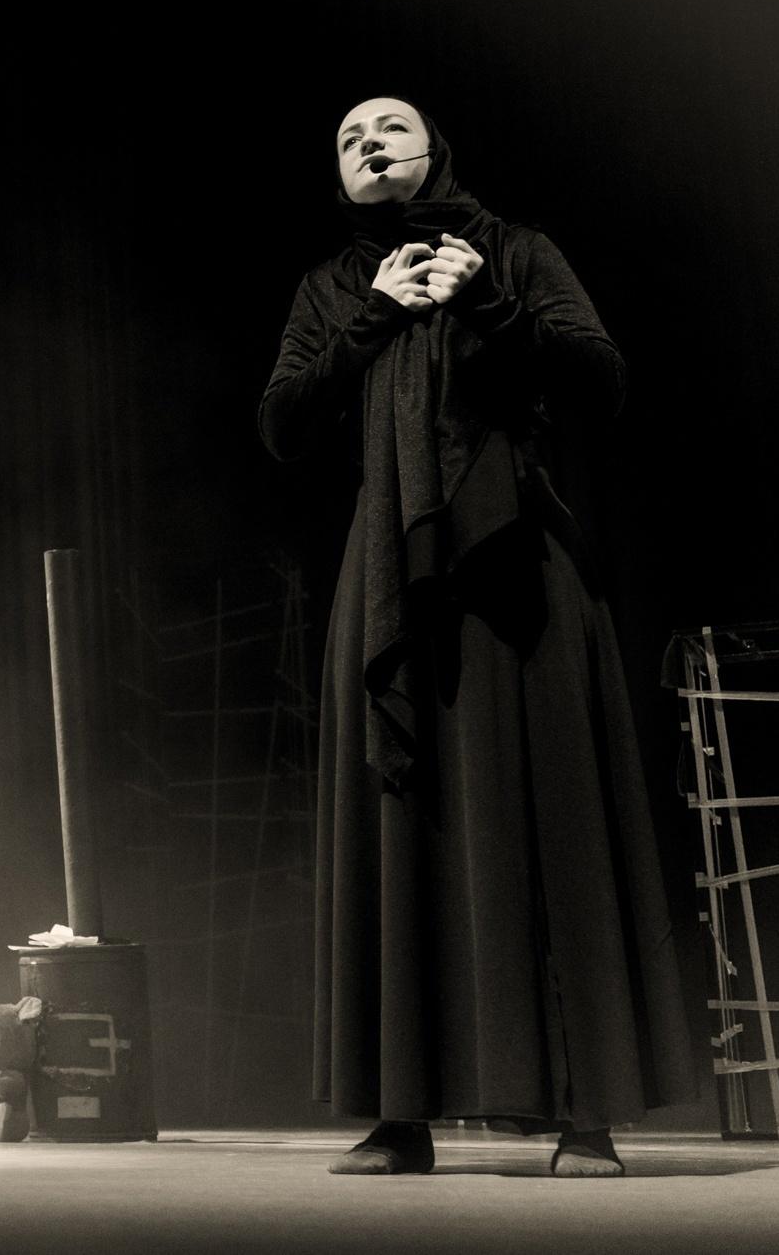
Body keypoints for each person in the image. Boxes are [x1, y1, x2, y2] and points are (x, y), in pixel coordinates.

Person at [259, 98, 692, 1178]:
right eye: (347, 138)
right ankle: (398, 1114)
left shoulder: (513, 250)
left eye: (388, 127)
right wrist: (373, 315)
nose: (366, 142)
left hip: (516, 565)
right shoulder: (333, 286)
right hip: (389, 578)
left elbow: (601, 381)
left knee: (550, 819)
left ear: (435, 148)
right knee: (399, 829)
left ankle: (585, 1112)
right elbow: (281, 424)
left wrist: (488, 302)